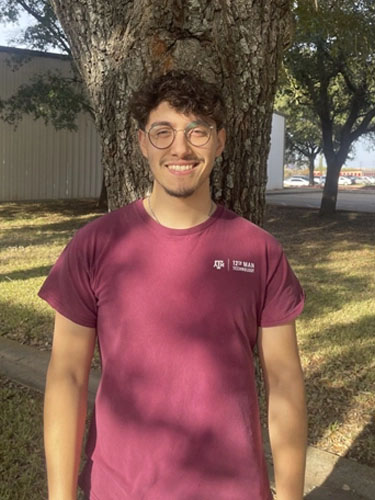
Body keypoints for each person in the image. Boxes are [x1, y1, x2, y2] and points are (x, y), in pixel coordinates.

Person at [40, 70, 307, 500]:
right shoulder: (95, 245)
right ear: (143, 142)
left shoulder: (261, 252)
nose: (180, 148)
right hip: (119, 489)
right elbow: (67, 376)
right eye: (163, 132)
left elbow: (285, 381)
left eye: (197, 132)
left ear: (220, 142)